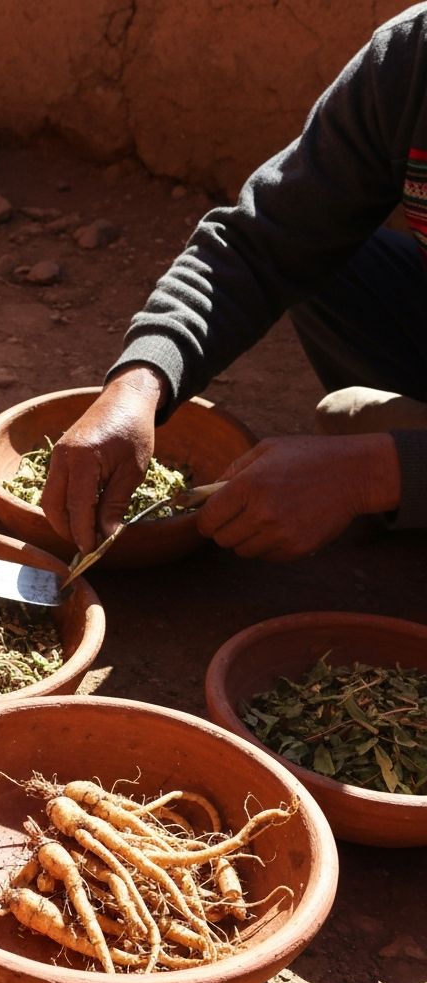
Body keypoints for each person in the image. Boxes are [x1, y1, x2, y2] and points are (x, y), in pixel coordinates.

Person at [41, 4, 427, 565]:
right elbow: (258, 242)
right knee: (332, 257)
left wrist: (373, 473)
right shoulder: (412, 55)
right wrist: (141, 381)